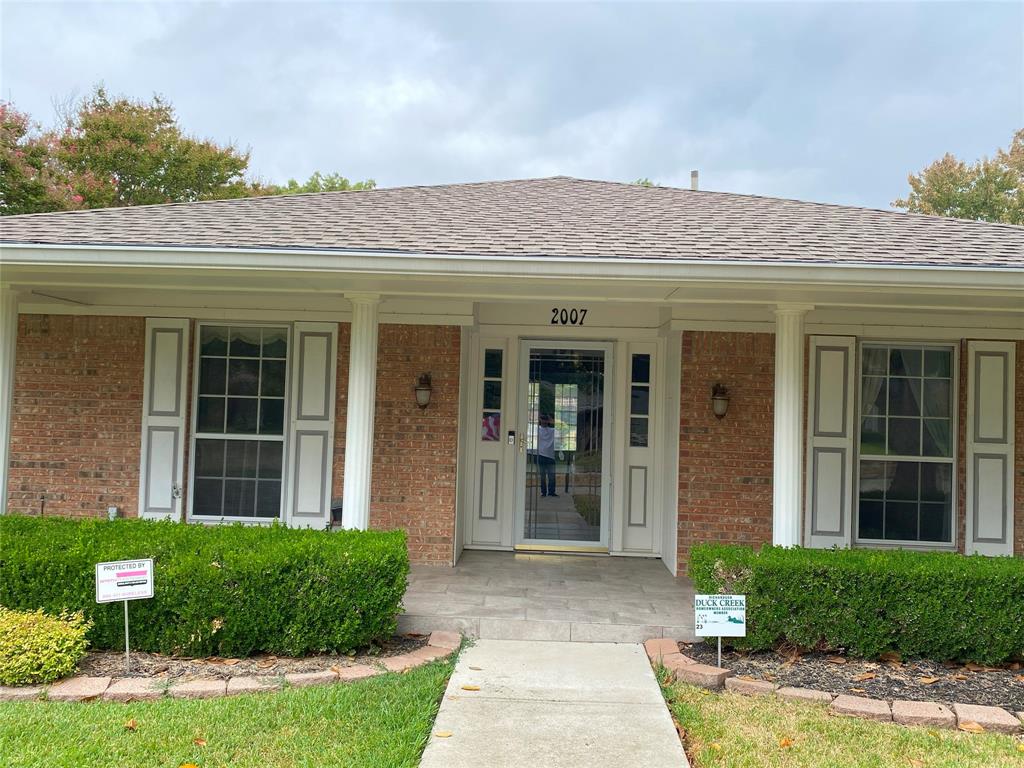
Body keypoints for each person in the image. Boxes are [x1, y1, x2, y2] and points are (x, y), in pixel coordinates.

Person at [537, 414, 557, 497]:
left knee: (549, 476)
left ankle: (547, 492)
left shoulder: (552, 430)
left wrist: (551, 421)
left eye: (546, 419)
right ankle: (546, 492)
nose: (544, 421)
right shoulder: (537, 429)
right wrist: (550, 421)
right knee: (545, 476)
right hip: (544, 455)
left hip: (548, 455)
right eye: (543, 419)